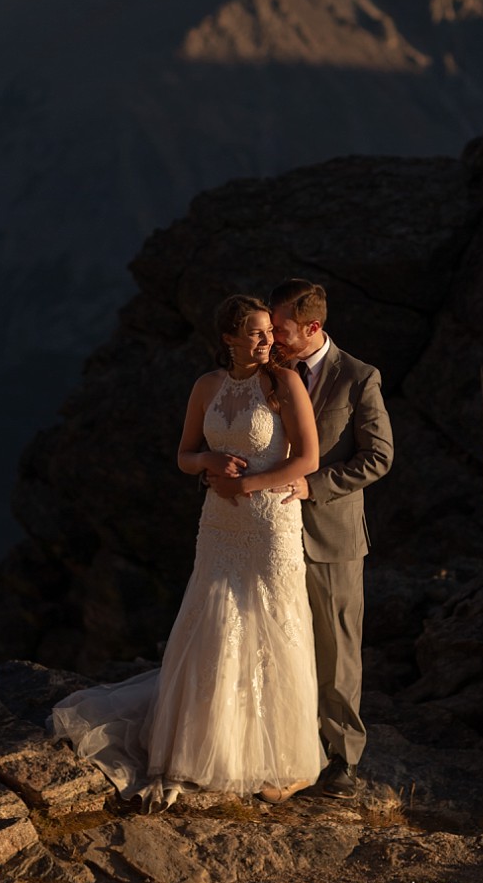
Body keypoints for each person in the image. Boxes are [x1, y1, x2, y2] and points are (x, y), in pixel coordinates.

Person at [50, 294, 325, 809]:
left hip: (269, 524)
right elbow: (183, 455)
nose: (270, 341)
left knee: (273, 624)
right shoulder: (207, 386)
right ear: (230, 339)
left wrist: (251, 485)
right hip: (218, 523)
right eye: (258, 333)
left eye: (270, 332)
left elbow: (308, 458)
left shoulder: (286, 383)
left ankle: (279, 760)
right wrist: (209, 462)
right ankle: (212, 748)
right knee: (216, 625)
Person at [268, 278, 394, 800]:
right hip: (270, 533)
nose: (272, 338)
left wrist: (312, 486)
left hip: (331, 537)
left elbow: (379, 457)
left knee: (337, 649)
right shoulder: (267, 372)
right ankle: (285, 747)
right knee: (278, 643)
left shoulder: (359, 378)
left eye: (281, 329)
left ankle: (343, 761)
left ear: (313, 327)